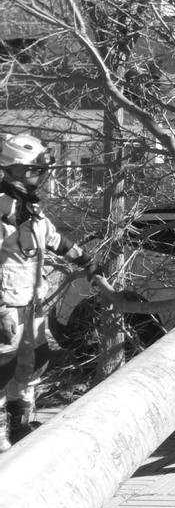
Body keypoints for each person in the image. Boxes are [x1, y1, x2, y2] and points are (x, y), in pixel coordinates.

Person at [0, 133, 100, 451]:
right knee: (4, 369)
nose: (39, 177)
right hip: (7, 307)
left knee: (35, 361)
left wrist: (88, 262)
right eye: (33, 170)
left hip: (31, 305)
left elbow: (56, 240)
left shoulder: (31, 211)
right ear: (14, 170)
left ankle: (20, 425)